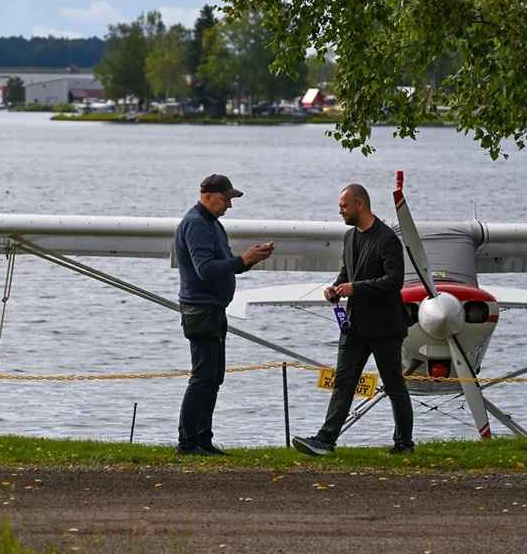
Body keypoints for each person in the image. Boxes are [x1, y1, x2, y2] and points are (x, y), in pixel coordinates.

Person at [292, 183, 414, 456]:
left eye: (344, 206)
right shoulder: (349, 238)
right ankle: (325, 440)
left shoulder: (387, 239)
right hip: (354, 326)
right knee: (343, 382)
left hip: (385, 328)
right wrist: (335, 289)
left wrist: (355, 288)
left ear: (360, 204)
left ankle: (404, 443)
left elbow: (393, 281)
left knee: (394, 385)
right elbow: (347, 273)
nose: (340, 211)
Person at [175, 174, 274, 455]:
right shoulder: (196, 224)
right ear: (207, 196)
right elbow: (205, 269)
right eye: (226, 199)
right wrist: (243, 259)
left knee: (214, 377)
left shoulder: (212, 225)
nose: (229, 205)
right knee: (203, 377)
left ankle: (202, 439)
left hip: (213, 309)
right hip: (201, 310)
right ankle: (188, 442)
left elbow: (225, 266)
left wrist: (249, 260)